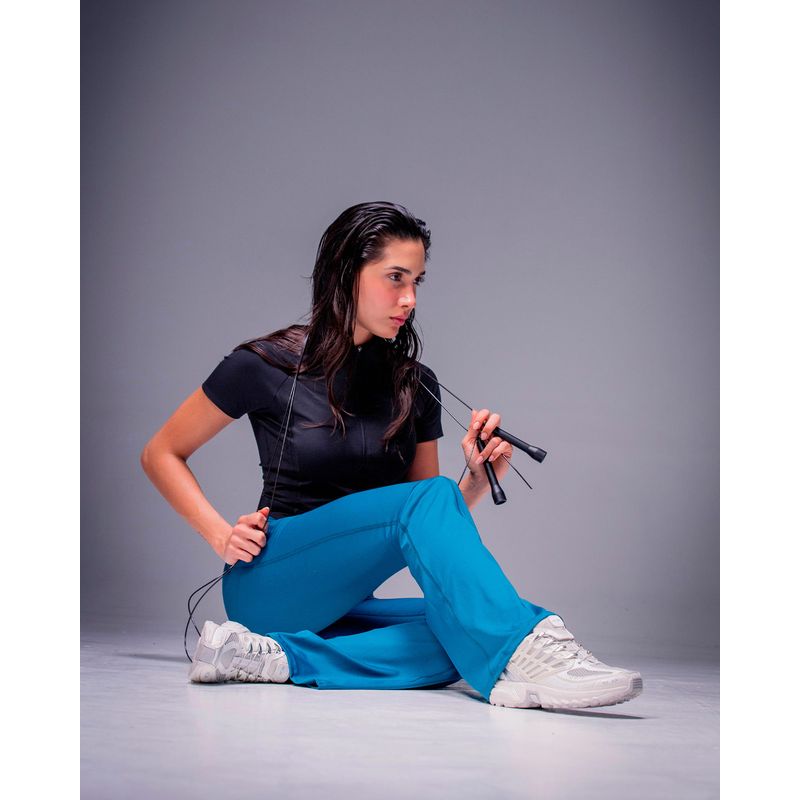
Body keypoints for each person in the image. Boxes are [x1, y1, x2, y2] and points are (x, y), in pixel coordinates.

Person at [140, 201, 643, 710]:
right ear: (345, 273)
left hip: (348, 599)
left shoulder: (414, 385)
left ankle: (272, 658)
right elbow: (161, 453)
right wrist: (221, 535)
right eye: (395, 278)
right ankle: (528, 652)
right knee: (482, 621)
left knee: (461, 633)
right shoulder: (264, 365)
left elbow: (420, 524)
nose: (409, 299)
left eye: (417, 282)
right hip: (272, 582)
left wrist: (475, 479)